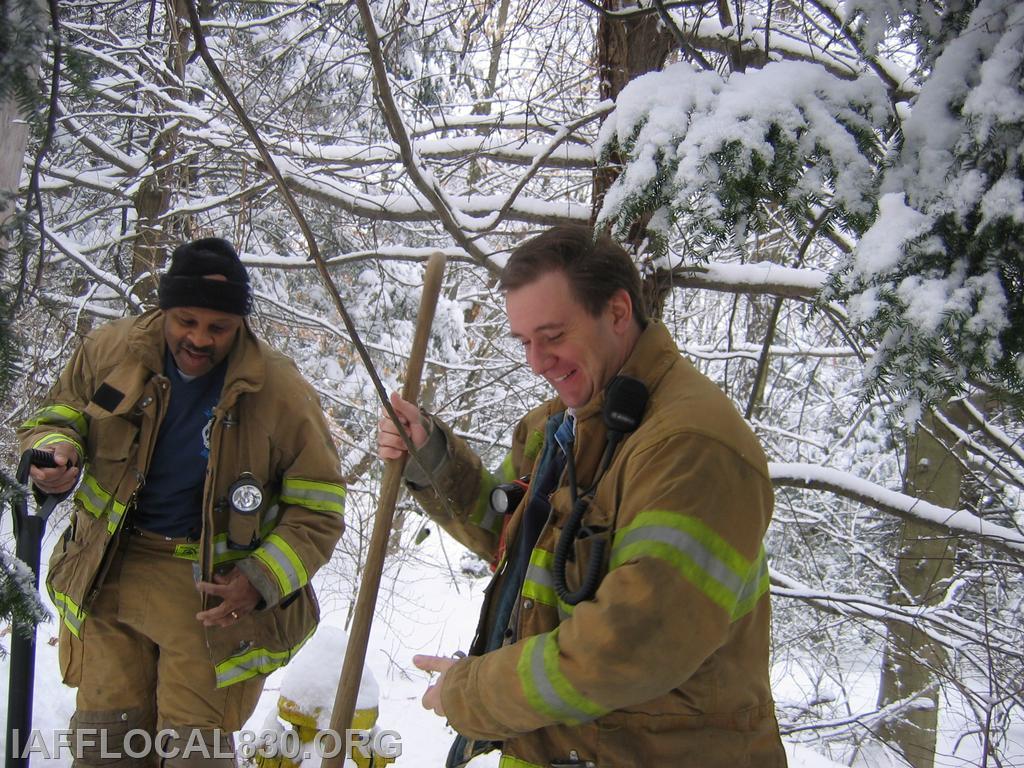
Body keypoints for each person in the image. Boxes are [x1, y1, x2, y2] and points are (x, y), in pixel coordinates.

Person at [378, 225, 787, 768]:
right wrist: (431, 456)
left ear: (617, 312)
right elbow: (512, 534)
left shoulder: (691, 447)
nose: (536, 361)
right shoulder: (562, 424)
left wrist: (471, 693)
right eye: (524, 341)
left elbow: (627, 648)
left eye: (552, 335)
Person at [18, 238, 347, 767]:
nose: (198, 338)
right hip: (107, 569)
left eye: (217, 327)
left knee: (196, 753)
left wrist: (259, 579)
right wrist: (57, 448)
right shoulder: (111, 350)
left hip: (208, 595)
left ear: (240, 324)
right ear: (165, 309)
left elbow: (321, 507)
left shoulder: (279, 391)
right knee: (106, 745)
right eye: (186, 321)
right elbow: (60, 412)